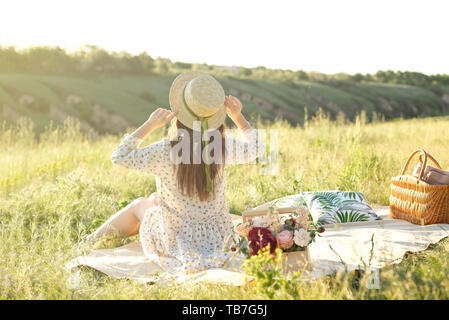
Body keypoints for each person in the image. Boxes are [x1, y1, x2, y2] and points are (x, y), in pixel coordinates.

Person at [83, 71, 265, 274]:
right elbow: (257, 148)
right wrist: (238, 117)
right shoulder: (222, 147)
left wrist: (150, 124)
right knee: (155, 199)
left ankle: (89, 241)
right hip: (217, 237)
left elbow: (120, 156)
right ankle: (101, 238)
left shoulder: (165, 151)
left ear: (180, 112)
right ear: (215, 117)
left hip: (178, 238)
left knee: (139, 205)